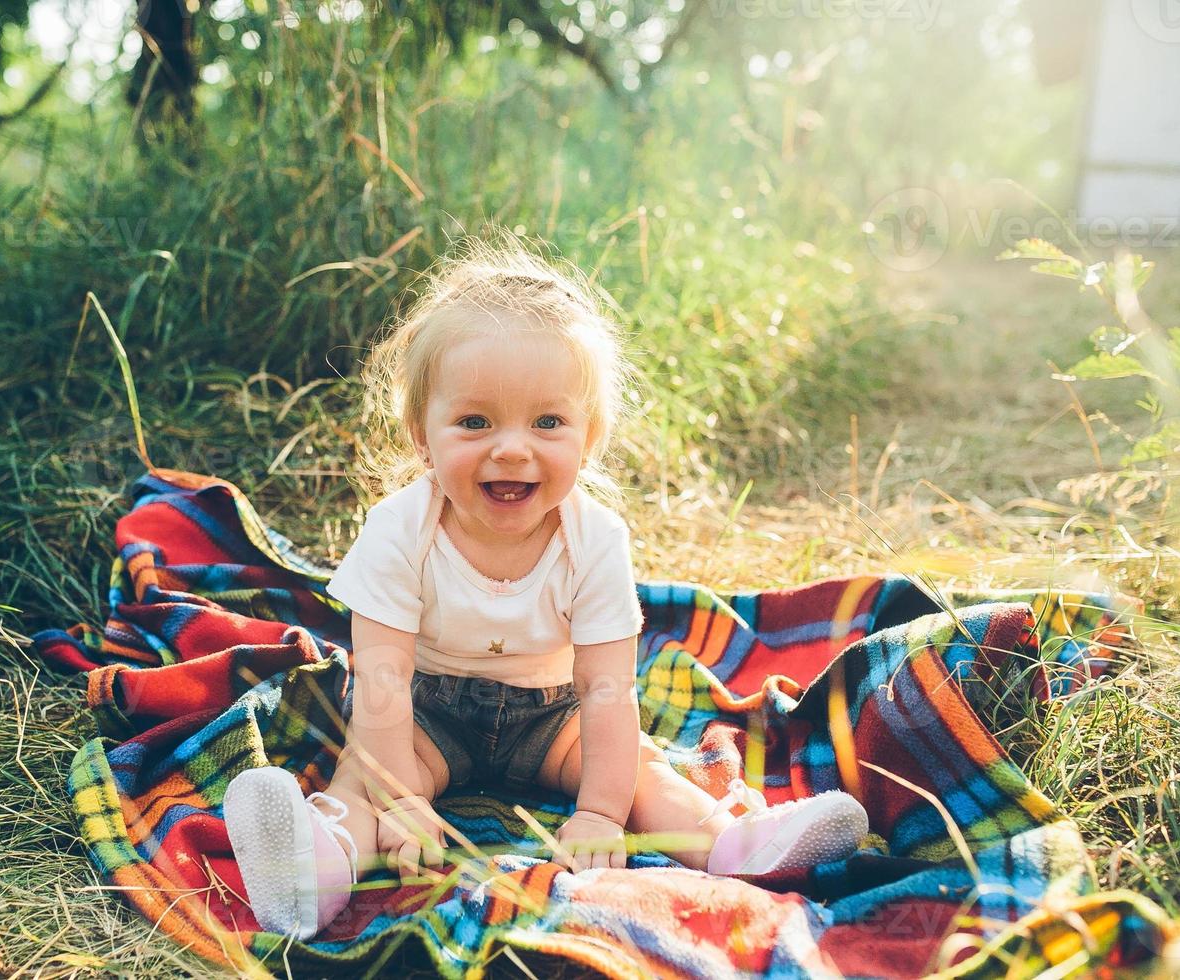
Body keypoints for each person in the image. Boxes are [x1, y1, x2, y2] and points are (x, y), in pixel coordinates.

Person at [223, 234, 868, 939]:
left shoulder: (594, 540)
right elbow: (380, 678)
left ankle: (736, 844)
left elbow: (607, 690)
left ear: (587, 436)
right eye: (474, 421)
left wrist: (597, 811)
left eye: (548, 422)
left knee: (644, 774)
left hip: (555, 717)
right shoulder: (399, 528)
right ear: (420, 433)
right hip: (424, 711)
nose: (511, 447)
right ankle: (314, 866)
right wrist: (403, 799)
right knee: (361, 776)